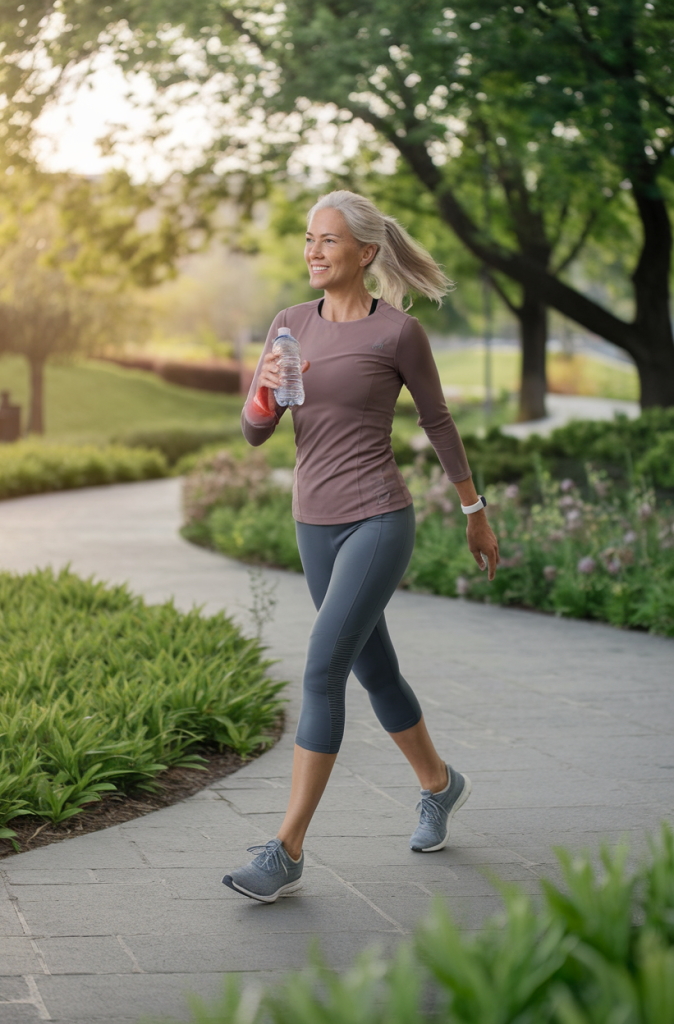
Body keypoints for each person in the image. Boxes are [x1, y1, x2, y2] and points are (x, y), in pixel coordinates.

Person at [222, 190, 499, 903]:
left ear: (365, 254)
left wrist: (474, 510)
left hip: (377, 519)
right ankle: (439, 785)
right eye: (309, 239)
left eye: (329, 242)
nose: (313, 252)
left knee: (321, 671)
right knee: (374, 672)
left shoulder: (396, 334)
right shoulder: (288, 326)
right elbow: (254, 432)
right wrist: (267, 396)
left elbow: (439, 423)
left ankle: (285, 849)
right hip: (311, 523)